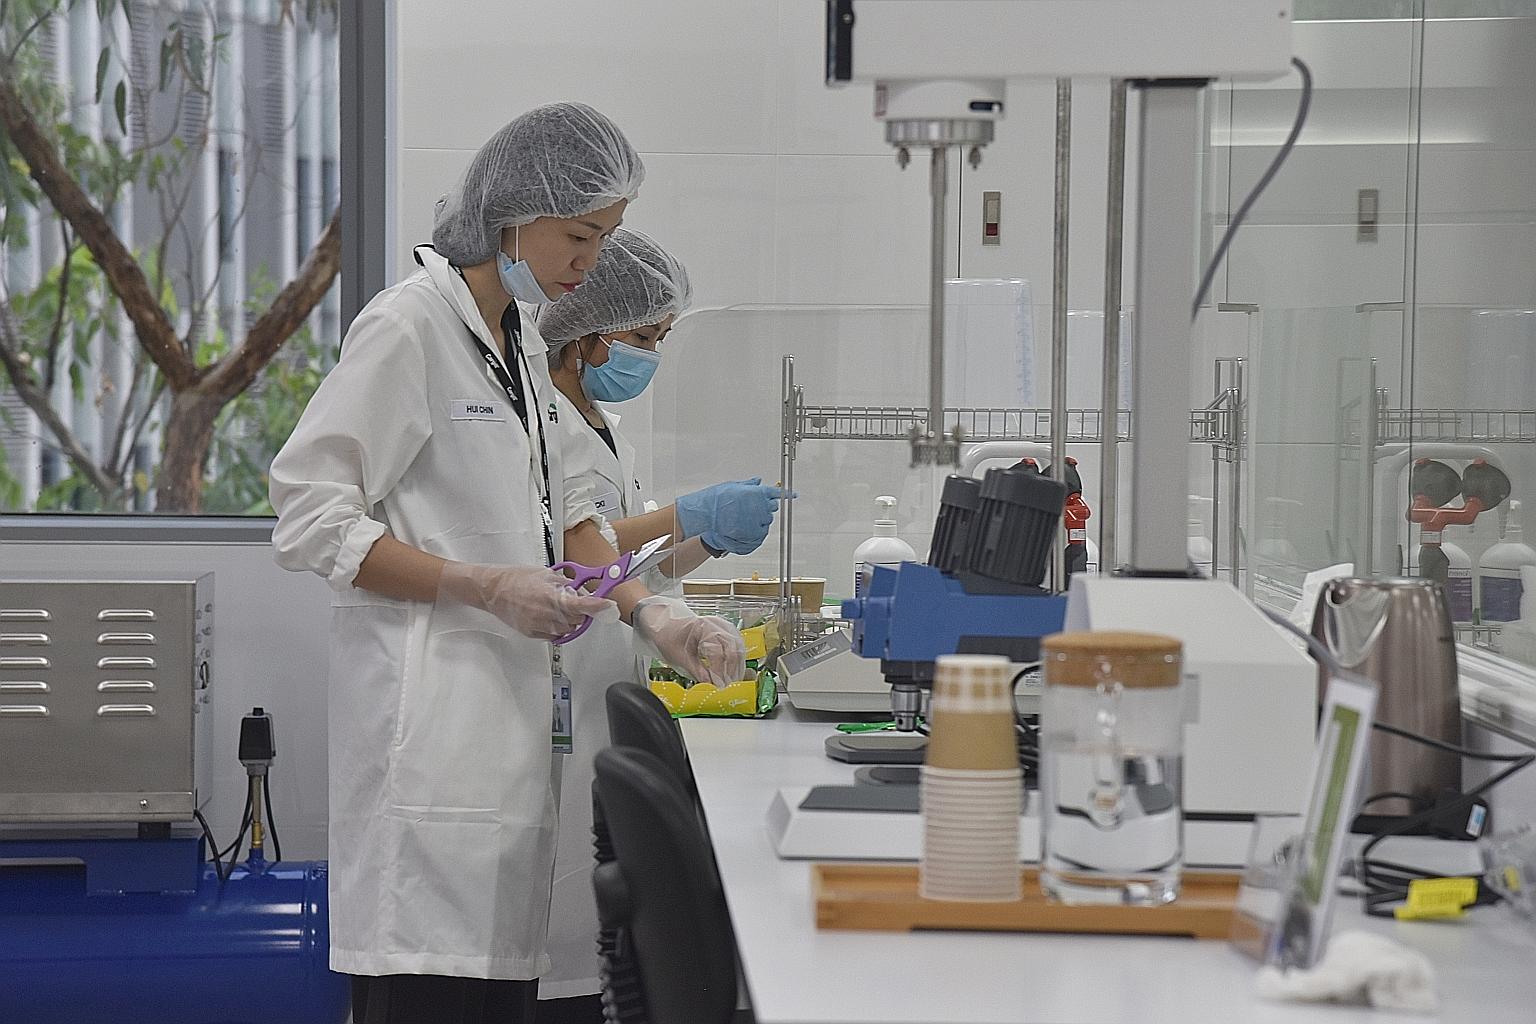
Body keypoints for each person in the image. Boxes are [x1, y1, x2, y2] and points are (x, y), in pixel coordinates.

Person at [268, 103, 746, 1024]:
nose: (590, 266)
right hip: (430, 753)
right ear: (512, 212)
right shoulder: (409, 328)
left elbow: (572, 515)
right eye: (580, 235)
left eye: (603, 239)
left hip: (506, 751)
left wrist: (657, 616)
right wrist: (483, 585)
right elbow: (307, 512)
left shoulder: (517, 345)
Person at [531, 229, 784, 1023]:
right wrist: (685, 512)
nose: (651, 355)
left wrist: (703, 541)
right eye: (643, 338)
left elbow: (629, 574)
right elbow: (572, 554)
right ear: (589, 329)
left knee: (593, 904)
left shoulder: (605, 426)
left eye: (661, 340)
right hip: (557, 687)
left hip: (607, 671)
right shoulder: (542, 422)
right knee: (564, 909)